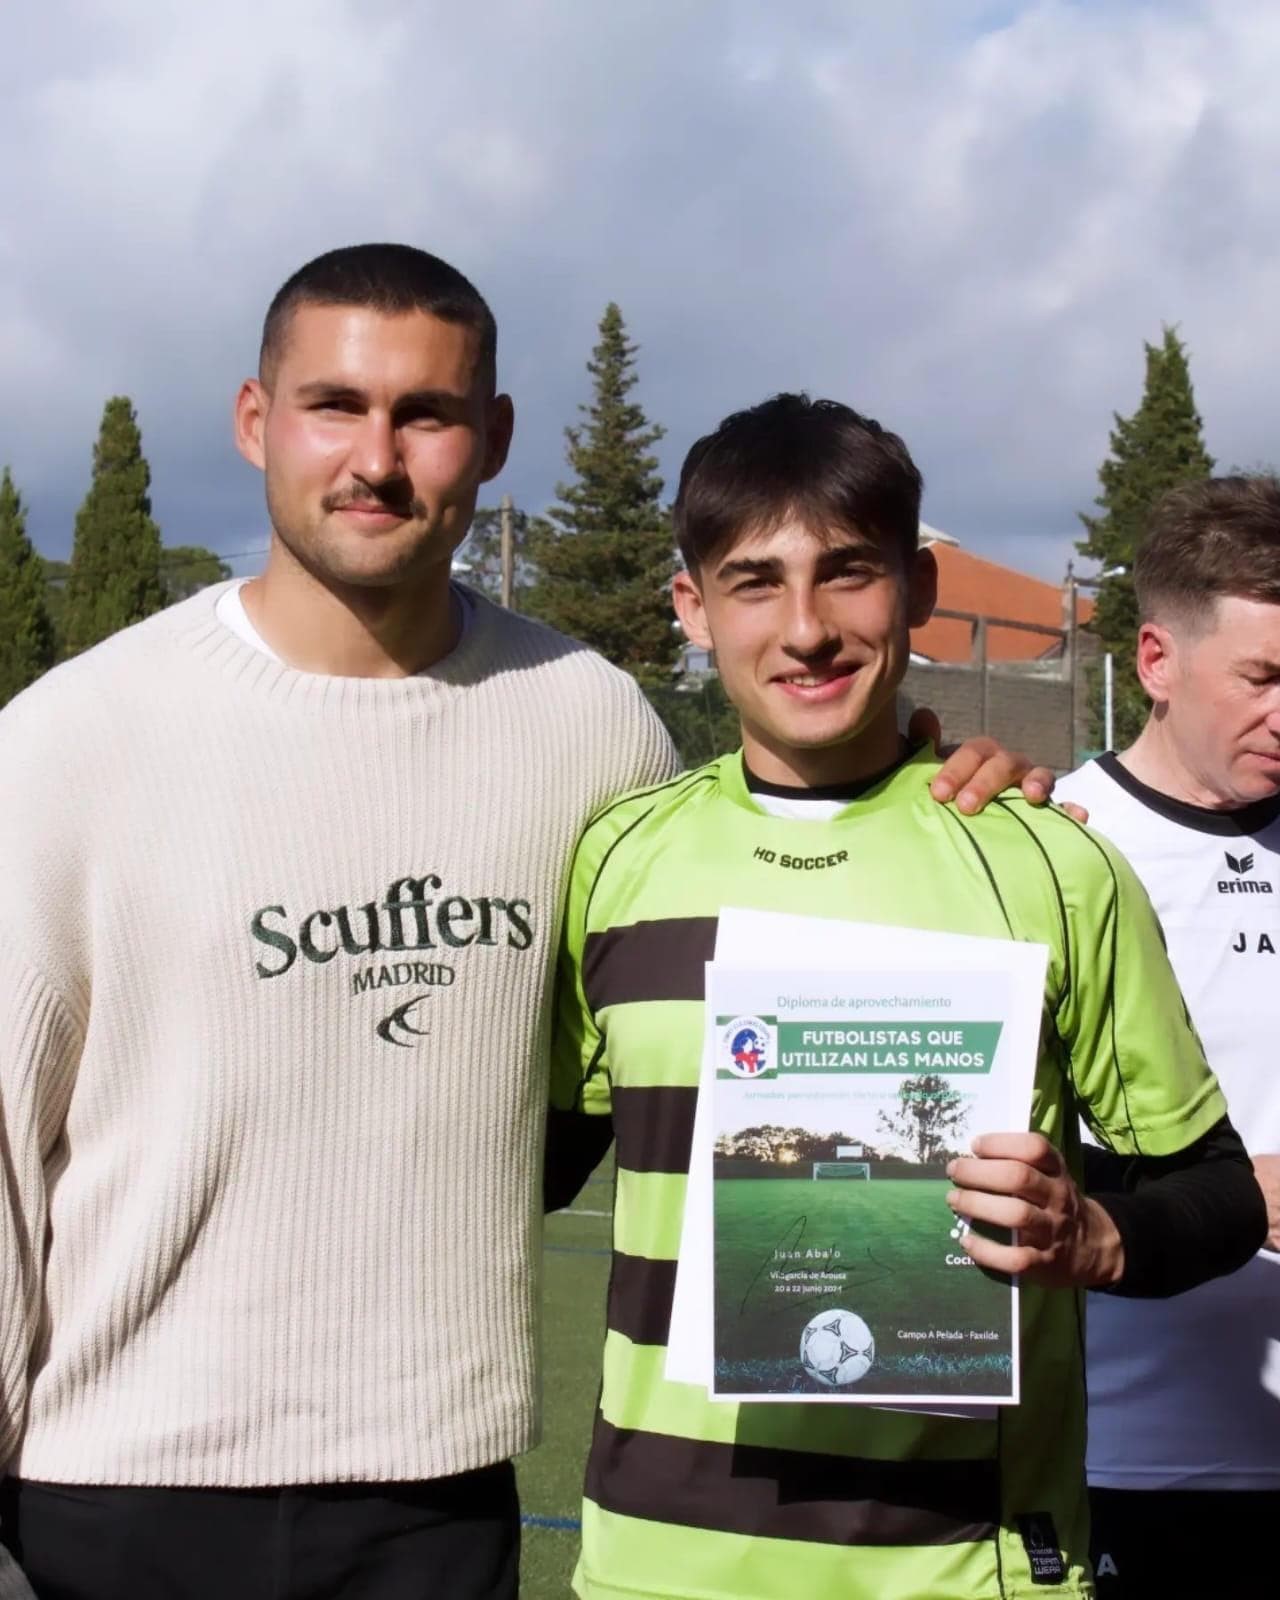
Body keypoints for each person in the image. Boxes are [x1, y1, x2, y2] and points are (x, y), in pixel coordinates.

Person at [0, 247, 1054, 1600]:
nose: (377, 457)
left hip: (441, 1495)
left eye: (426, 416)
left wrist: (934, 782)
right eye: (335, 404)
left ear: (490, 440)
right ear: (255, 421)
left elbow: (734, 916)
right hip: (121, 1494)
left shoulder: (587, 720)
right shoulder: (68, 742)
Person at [547, 395, 1268, 1600]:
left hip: (953, 1567)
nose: (807, 629)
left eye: (846, 574)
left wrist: (1091, 1234)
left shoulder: (1049, 859)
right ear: (691, 608)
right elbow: (521, 1166)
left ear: (916, 586)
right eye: (752, 581)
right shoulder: (615, 861)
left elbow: (1212, 1193)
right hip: (656, 1566)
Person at [1054, 476, 1280, 1600]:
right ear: (1153, 661)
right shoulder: (1044, 845)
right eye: (1263, 677)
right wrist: (1234, 1199)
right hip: (1120, 1461)